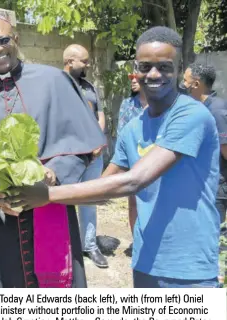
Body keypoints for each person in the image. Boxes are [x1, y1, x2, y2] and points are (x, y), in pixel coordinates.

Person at [14, 26, 222, 288]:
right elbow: (102, 192)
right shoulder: (134, 128)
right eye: (145, 66)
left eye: (165, 67)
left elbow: (134, 181)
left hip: (189, 265)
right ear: (135, 68)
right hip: (145, 261)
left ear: (179, 68)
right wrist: (51, 180)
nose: (154, 74)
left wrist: (46, 196)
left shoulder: (192, 115)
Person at [0, 14, 105, 288]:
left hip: (51, 205)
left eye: (3, 40)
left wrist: (53, 174)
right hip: (1, 224)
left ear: (16, 39)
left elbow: (81, 149)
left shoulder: (53, 81)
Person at [63, 44, 107, 268]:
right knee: (64, 202)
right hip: (69, 157)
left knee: (89, 201)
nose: (88, 65)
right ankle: (66, 246)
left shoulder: (90, 87)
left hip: (94, 155)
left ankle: (89, 245)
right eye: (85, 61)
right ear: (70, 61)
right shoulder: (58, 86)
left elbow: (100, 115)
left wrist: (98, 140)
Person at [181, 63, 227, 223]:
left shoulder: (216, 109)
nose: (183, 84)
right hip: (198, 181)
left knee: (215, 234)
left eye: (185, 80)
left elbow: (225, 148)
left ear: (196, 84)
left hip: (216, 186)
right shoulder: (195, 107)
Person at [117, 74, 148, 239]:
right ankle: (137, 241)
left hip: (157, 160)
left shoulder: (159, 104)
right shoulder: (127, 105)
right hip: (134, 160)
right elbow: (121, 133)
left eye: (137, 78)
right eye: (131, 78)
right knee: (134, 202)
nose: (133, 81)